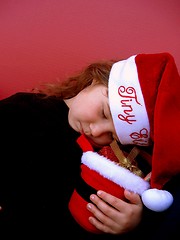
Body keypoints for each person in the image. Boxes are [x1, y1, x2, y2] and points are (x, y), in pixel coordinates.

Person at [0, 52, 179, 240]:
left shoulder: (112, 165)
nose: (96, 131)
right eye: (104, 113)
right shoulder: (21, 111)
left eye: (112, 135)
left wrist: (130, 223)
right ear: (95, 79)